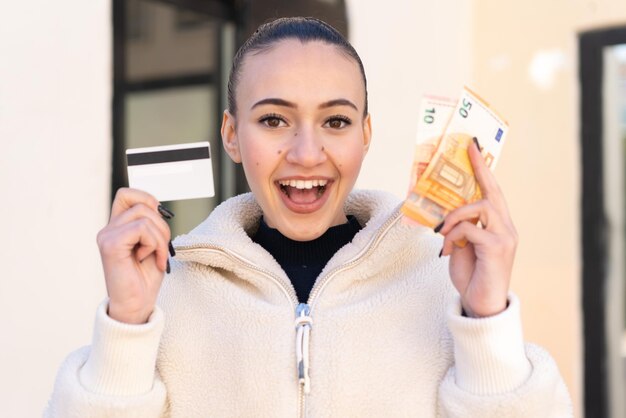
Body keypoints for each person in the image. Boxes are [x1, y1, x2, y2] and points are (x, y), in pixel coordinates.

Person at [45, 17, 572, 417]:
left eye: (336, 121)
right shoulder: (167, 294)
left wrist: (487, 322)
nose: (305, 152)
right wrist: (126, 326)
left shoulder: (440, 284)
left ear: (366, 134)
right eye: (274, 119)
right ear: (231, 134)